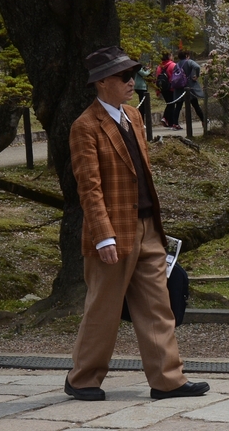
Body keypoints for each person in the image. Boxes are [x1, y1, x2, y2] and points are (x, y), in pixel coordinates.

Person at [64, 46, 209, 402]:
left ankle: (167, 380)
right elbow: (89, 187)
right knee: (103, 310)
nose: (132, 81)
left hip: (148, 228)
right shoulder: (85, 126)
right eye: (122, 76)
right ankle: (82, 379)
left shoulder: (134, 116)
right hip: (112, 234)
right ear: (101, 83)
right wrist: (102, 236)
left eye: (132, 74)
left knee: (158, 307)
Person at [176, 50, 205, 129]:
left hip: (180, 87)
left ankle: (175, 123)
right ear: (186, 55)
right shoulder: (189, 62)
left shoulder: (177, 64)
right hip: (189, 86)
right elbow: (197, 67)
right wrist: (197, 75)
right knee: (195, 104)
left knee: (178, 106)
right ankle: (203, 120)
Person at [155, 52, 181, 130]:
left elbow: (157, 78)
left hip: (163, 88)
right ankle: (169, 120)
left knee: (169, 103)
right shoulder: (172, 65)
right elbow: (176, 76)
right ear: (169, 56)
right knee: (172, 104)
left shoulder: (160, 67)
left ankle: (167, 120)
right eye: (171, 55)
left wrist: (157, 90)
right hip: (171, 87)